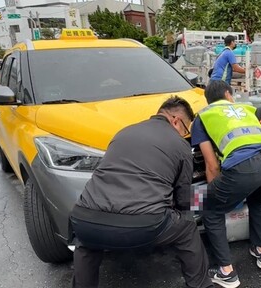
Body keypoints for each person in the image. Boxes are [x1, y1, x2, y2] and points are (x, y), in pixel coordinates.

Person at [69, 96, 213, 288]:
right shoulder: (180, 145)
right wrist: (207, 199)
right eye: (185, 129)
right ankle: (201, 284)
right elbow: (183, 199)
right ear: (175, 120)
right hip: (143, 225)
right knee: (186, 226)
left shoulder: (123, 132)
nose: (184, 135)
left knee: (87, 240)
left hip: (84, 219)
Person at [190, 80, 261, 288]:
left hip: (244, 167)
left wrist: (216, 196)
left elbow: (212, 165)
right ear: (228, 94)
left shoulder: (203, 116)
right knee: (258, 201)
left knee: (207, 206)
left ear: (208, 99)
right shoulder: (246, 108)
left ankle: (226, 272)